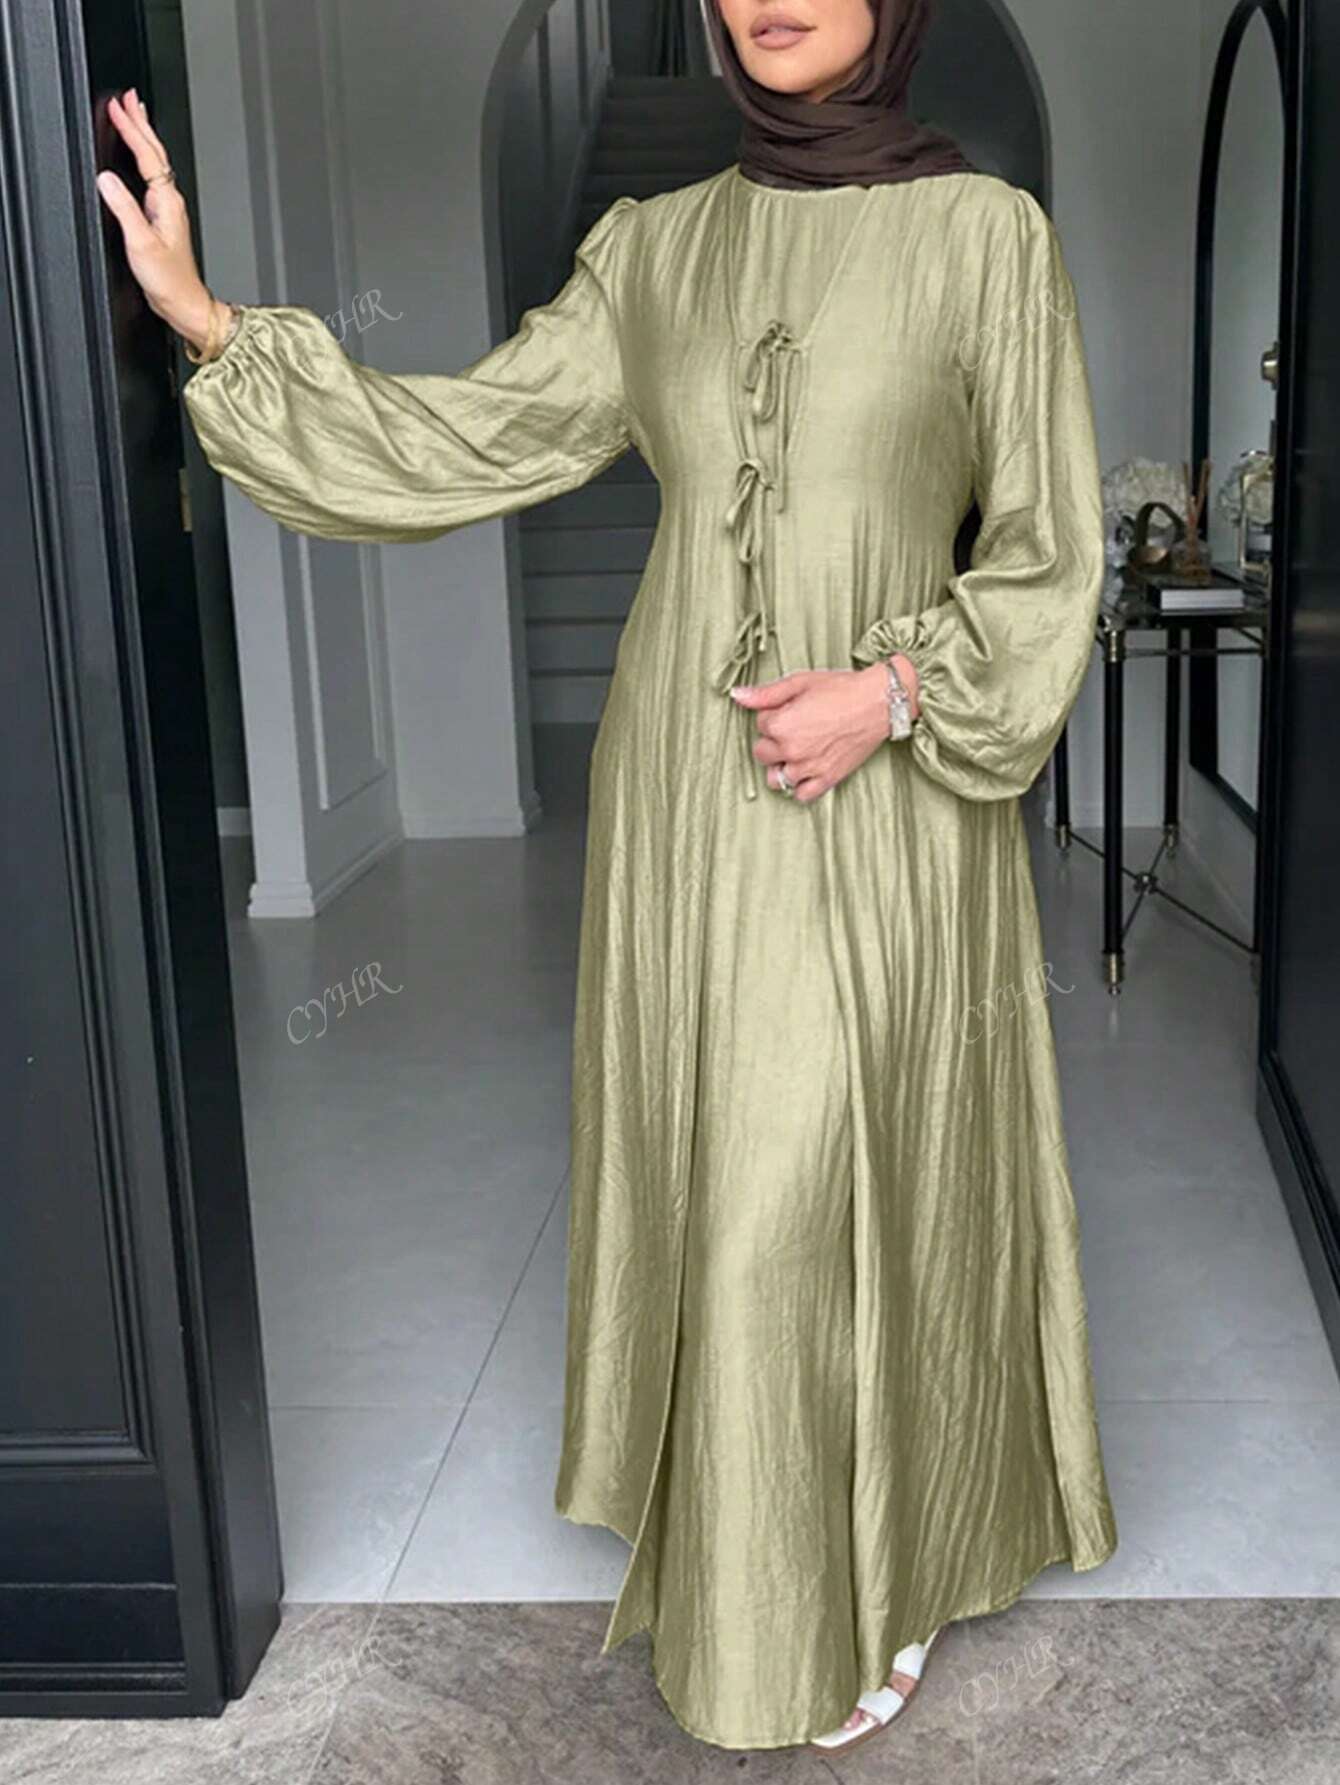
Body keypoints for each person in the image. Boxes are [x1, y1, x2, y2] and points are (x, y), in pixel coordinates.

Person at [97, 0, 1118, 1755]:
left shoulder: (985, 237)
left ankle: (881, 1556)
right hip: (685, 790)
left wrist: (890, 694)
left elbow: (1050, 548)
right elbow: (470, 436)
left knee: (852, 1165)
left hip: (894, 790)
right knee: (729, 1165)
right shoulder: (652, 249)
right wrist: (210, 325)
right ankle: (760, 1565)